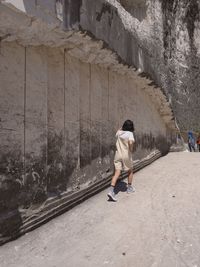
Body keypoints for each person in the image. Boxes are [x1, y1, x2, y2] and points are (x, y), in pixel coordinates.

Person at [107, 120, 135, 202]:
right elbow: (130, 142)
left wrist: (122, 127)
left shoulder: (119, 133)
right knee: (130, 171)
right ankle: (129, 188)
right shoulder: (130, 134)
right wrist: (131, 149)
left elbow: (119, 130)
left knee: (117, 173)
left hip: (118, 155)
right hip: (126, 155)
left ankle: (111, 191)